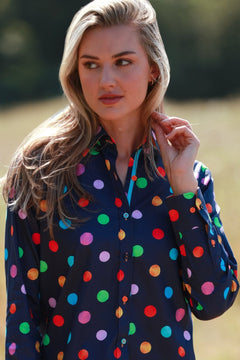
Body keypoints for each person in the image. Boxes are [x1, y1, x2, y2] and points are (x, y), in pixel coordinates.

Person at [3, 0, 239, 359]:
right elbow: (23, 314)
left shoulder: (189, 178)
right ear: (75, 73)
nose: (106, 80)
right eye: (91, 65)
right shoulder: (40, 173)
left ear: (153, 70)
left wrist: (182, 188)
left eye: (123, 62)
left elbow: (214, 299)